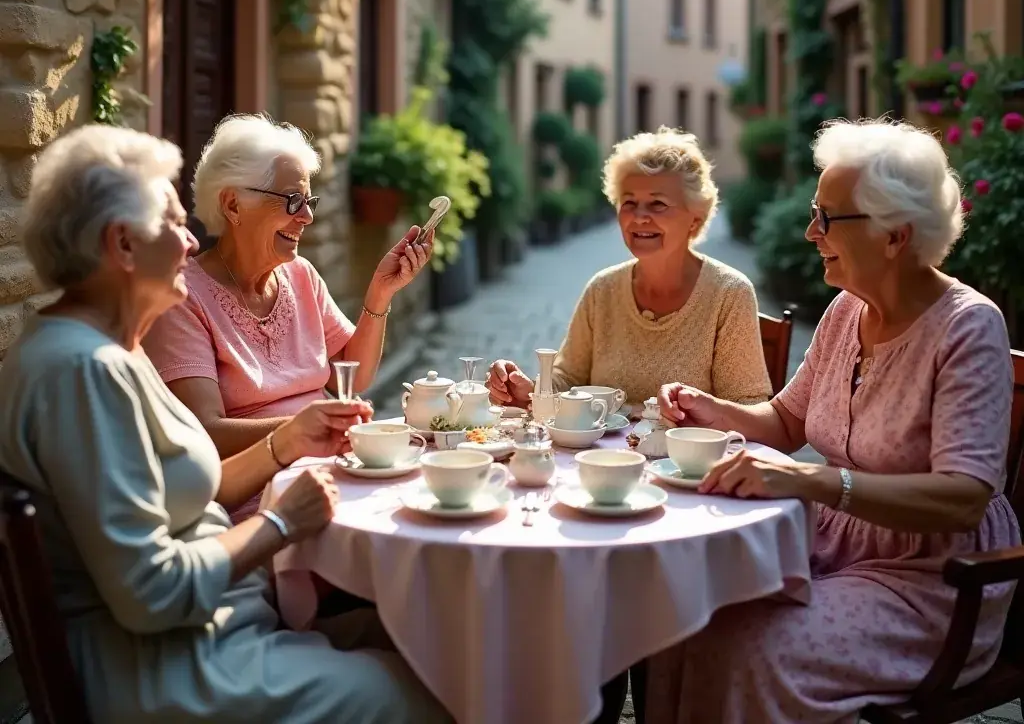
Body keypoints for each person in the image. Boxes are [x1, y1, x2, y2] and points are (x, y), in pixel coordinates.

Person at [0, 125, 450, 724]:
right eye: (173, 222)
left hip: (221, 624)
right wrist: (280, 522)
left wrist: (286, 441)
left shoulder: (106, 348)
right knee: (428, 688)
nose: (190, 242)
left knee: (439, 635)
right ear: (122, 245)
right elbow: (153, 594)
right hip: (170, 667)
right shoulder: (80, 372)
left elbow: (190, 491)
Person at [653, 119, 1019, 724]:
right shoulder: (847, 308)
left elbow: (963, 498)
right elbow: (787, 420)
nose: (809, 232)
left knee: (750, 651)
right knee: (681, 614)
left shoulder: (968, 328)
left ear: (895, 235)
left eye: (826, 218)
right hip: (829, 546)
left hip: (932, 582)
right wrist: (710, 408)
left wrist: (815, 482)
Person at [144, 113, 432, 520]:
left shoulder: (301, 276)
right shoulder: (184, 296)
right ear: (233, 204)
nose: (308, 218)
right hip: (258, 495)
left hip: (331, 468)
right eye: (293, 202)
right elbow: (204, 432)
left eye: (308, 202)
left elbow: (353, 375)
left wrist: (380, 291)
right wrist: (306, 426)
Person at [487, 127, 771, 414]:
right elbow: (569, 380)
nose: (639, 217)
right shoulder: (602, 289)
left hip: (687, 457)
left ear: (694, 220)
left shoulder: (729, 294)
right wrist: (530, 390)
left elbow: (749, 408)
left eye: (657, 204)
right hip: (602, 457)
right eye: (630, 203)